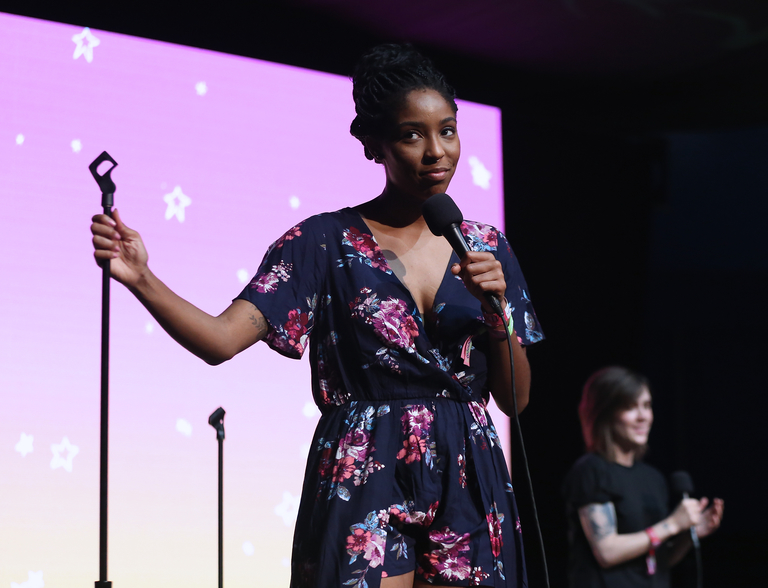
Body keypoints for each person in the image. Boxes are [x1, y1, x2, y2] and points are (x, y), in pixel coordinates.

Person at [90, 44, 543, 588]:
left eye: (447, 131)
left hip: (469, 469)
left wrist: (498, 315)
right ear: (373, 145)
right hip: (364, 464)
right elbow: (219, 340)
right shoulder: (321, 242)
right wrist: (142, 278)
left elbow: (514, 401)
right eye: (411, 135)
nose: (435, 152)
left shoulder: (486, 248)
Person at [562, 366, 724, 588]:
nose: (643, 417)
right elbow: (606, 552)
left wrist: (690, 533)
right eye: (630, 407)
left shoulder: (653, 478)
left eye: (647, 406)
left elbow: (659, 558)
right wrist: (673, 524)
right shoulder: (591, 471)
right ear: (605, 413)